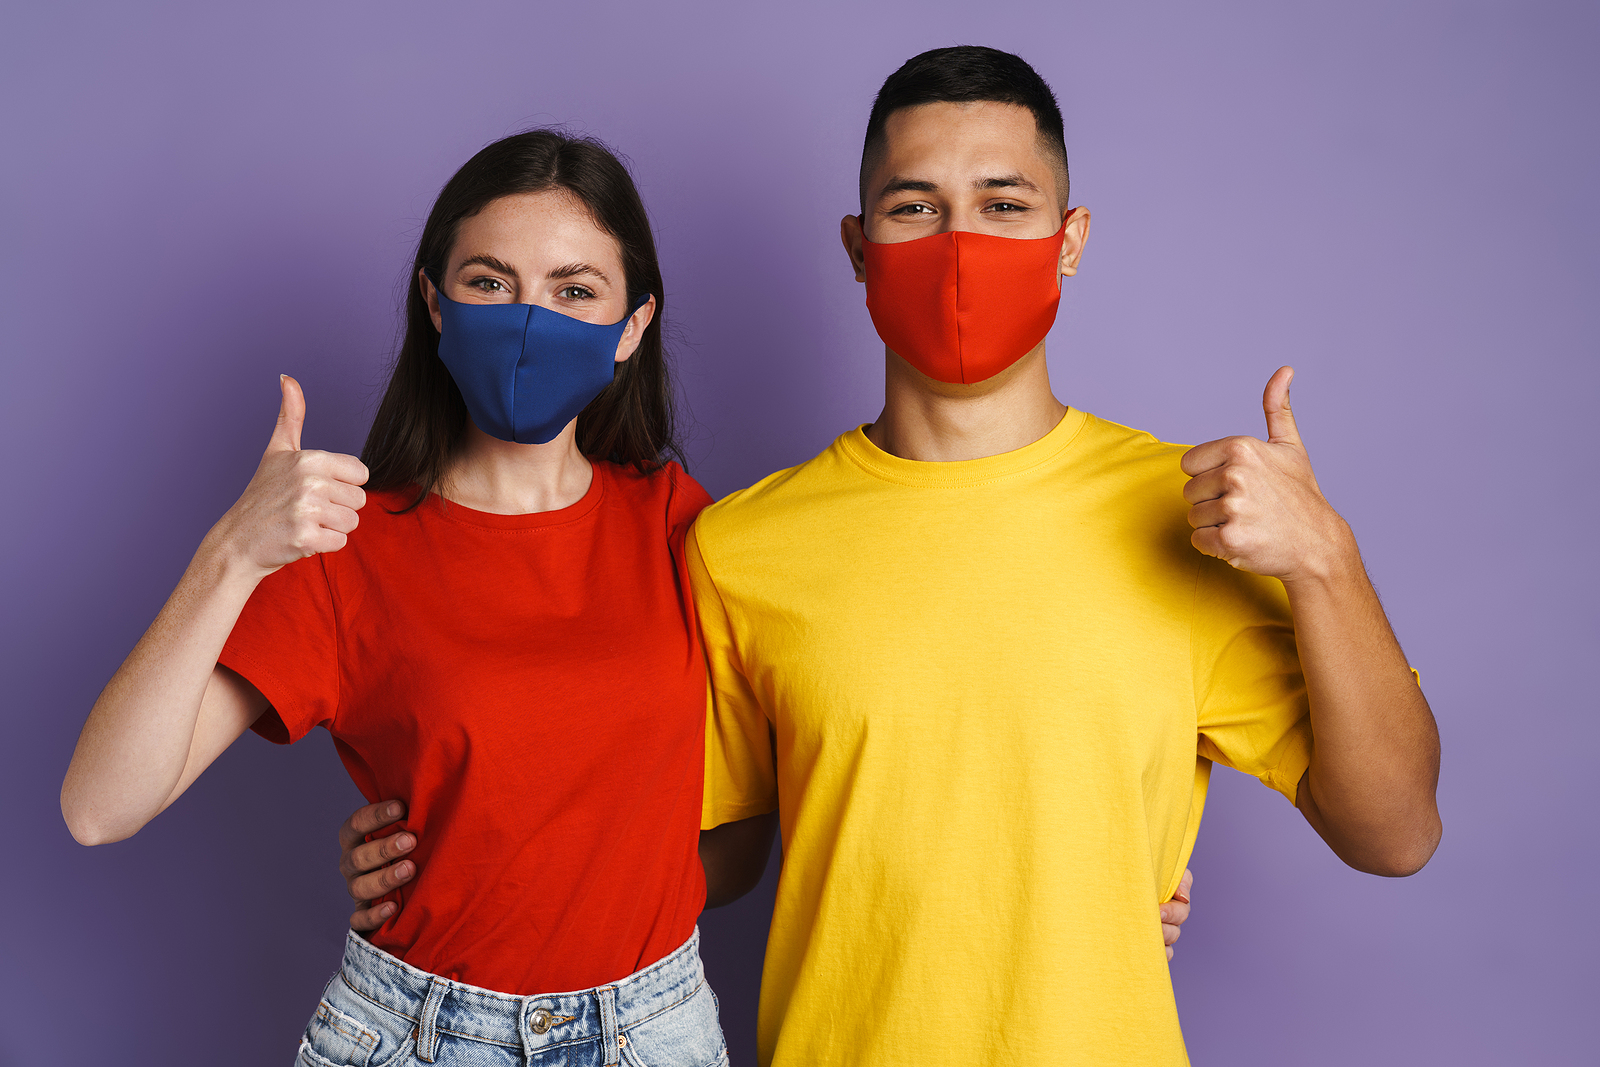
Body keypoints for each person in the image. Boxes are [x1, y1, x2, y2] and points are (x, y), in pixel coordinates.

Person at [686, 46, 1441, 1065]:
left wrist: (1325, 558)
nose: (959, 241)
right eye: (915, 207)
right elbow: (709, 854)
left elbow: (1395, 832)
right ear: (859, 248)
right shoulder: (741, 545)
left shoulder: (1203, 514)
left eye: (1003, 204)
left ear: (1069, 238)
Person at [61, 129, 753, 1067]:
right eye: (490, 282)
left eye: (574, 290)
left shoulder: (683, 526)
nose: (527, 320)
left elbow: (744, 830)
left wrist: (554, 874)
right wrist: (230, 550)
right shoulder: (349, 544)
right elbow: (100, 804)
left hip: (655, 1029)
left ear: (632, 327)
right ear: (435, 301)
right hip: (421, 1033)